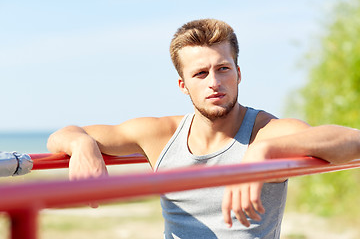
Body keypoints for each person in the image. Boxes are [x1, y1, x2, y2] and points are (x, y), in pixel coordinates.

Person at [47, 19, 360, 238]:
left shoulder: (266, 132)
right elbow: (65, 134)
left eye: (223, 69)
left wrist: (263, 152)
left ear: (238, 73)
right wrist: (82, 146)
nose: (214, 82)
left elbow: (353, 140)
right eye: (200, 74)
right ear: (183, 86)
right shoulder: (160, 134)